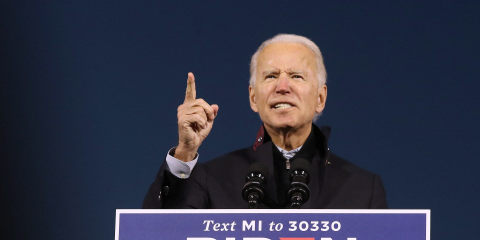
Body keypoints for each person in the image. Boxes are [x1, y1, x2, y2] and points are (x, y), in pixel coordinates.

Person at [143, 34, 387, 209]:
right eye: (271, 76)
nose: (282, 87)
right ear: (253, 98)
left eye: (296, 76)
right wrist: (185, 153)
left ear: (320, 98)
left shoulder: (363, 189)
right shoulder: (213, 179)